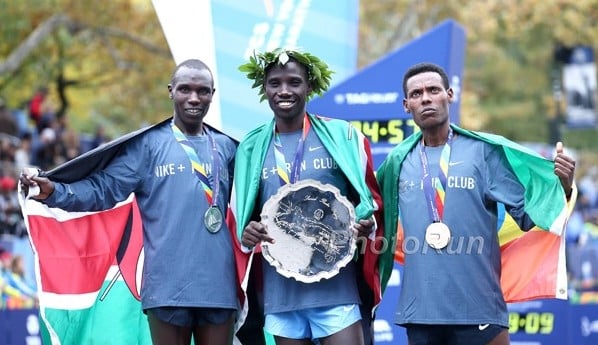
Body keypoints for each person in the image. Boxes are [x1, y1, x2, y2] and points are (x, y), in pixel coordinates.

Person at [20, 59, 238, 345]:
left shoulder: (229, 147)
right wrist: (55, 192)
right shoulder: (147, 145)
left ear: (213, 93)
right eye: (185, 89)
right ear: (171, 91)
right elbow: (104, 188)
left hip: (218, 288)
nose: (194, 98)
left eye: (202, 91)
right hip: (166, 289)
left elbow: (255, 201)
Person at [376, 62, 577, 345]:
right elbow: (371, 215)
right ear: (406, 105)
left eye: (433, 90)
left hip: (480, 310)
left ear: (449, 94)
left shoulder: (482, 152)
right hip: (420, 314)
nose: (426, 98)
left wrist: (562, 188)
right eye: (417, 93)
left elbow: (527, 216)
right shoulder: (397, 162)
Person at [234, 48, 388, 345]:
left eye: (294, 82)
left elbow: (369, 200)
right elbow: (242, 216)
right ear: (264, 89)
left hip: (335, 288)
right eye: (275, 83)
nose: (284, 91)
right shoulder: (252, 147)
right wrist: (248, 230)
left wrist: (365, 223)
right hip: (281, 293)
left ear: (310, 86)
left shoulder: (342, 137)